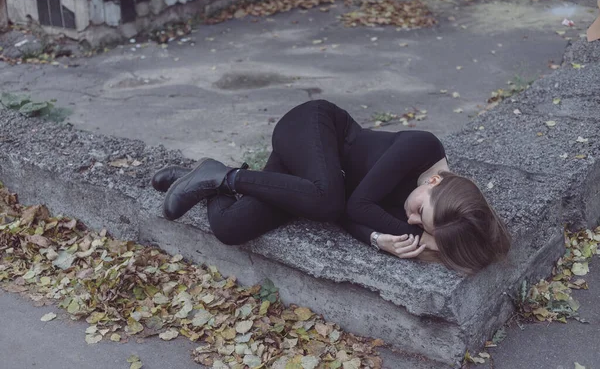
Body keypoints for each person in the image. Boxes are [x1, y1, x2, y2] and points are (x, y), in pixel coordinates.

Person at [152, 100, 511, 275]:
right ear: (435, 181)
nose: (412, 220)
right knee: (326, 198)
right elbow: (355, 208)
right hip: (312, 127)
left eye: (420, 226)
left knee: (230, 228)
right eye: (421, 211)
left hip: (317, 186)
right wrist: (401, 234)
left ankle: (207, 180)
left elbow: (346, 214)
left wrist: (377, 239)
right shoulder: (424, 148)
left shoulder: (427, 212)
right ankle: (227, 176)